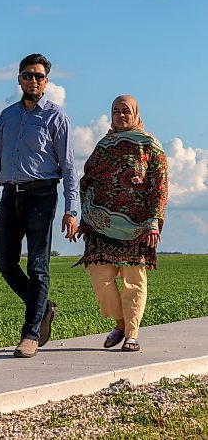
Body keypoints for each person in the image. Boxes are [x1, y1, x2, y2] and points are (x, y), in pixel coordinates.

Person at [0, 53, 79, 358]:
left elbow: (69, 167)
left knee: (38, 265)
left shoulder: (55, 117)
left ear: (46, 81)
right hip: (10, 196)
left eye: (38, 76)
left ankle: (31, 334)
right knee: (6, 264)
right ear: (19, 79)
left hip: (42, 195)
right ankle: (43, 307)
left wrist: (71, 210)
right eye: (27, 75)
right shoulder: (7, 116)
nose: (32, 81)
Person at [75, 95, 168, 351]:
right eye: (115, 111)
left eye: (125, 111)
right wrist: (85, 217)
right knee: (99, 276)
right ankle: (120, 322)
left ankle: (132, 334)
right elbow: (87, 181)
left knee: (133, 281)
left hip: (137, 227)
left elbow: (159, 186)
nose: (120, 115)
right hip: (101, 225)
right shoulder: (104, 145)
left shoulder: (150, 145)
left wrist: (153, 221)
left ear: (135, 113)